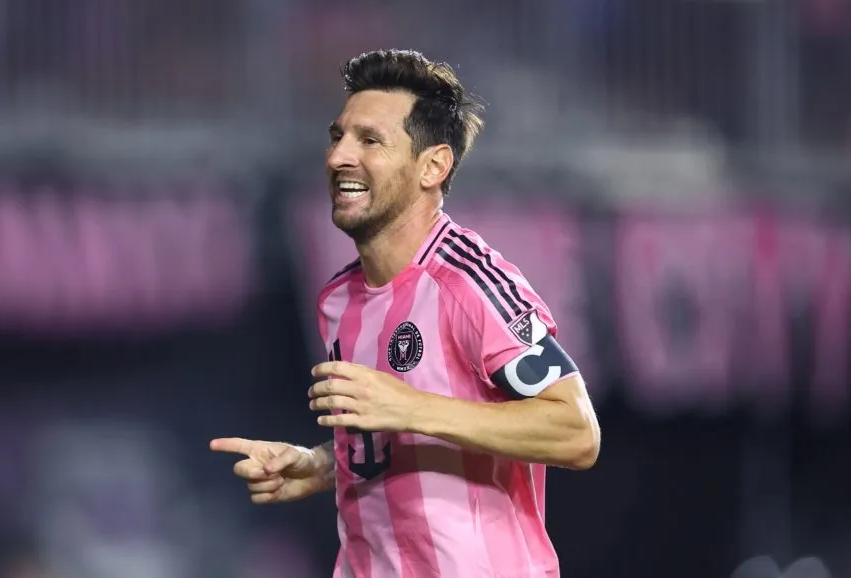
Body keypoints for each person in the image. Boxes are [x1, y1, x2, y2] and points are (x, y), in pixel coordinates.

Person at [211, 49, 600, 578]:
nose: (338, 157)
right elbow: (388, 436)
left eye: (369, 141)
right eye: (337, 136)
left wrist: (410, 406)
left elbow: (576, 429)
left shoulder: (469, 282)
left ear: (433, 166)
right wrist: (320, 464)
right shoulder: (339, 300)